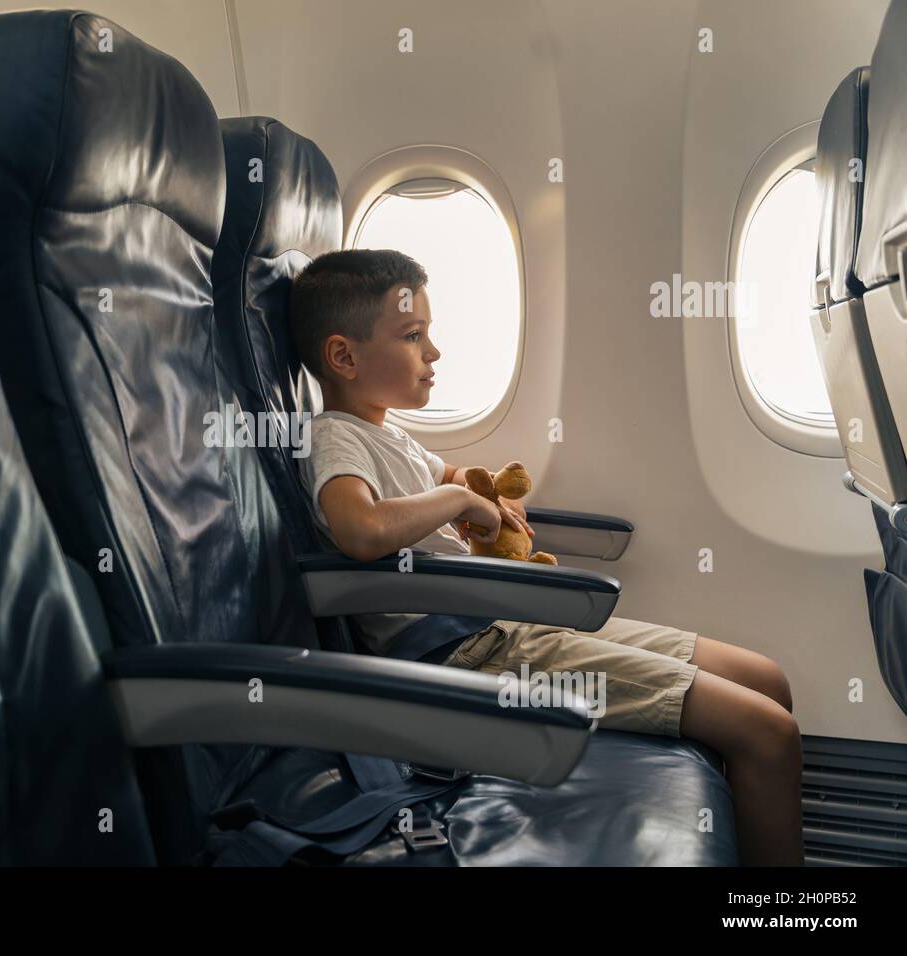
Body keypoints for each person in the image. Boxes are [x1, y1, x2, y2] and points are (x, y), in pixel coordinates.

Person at [289, 248, 803, 867]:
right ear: (344, 356)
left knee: (766, 679)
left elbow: (440, 476)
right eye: (413, 335)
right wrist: (455, 498)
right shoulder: (333, 438)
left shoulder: (387, 434)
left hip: (506, 625)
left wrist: (483, 493)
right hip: (469, 655)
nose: (434, 353)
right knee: (770, 735)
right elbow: (360, 529)